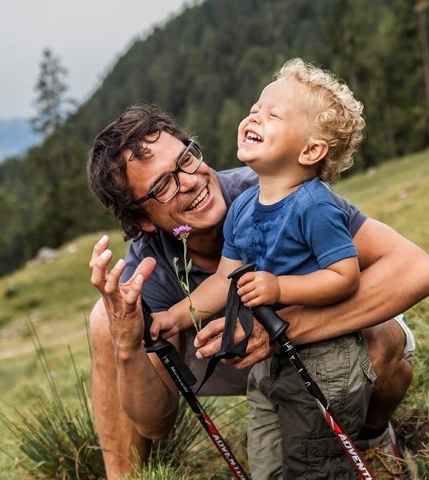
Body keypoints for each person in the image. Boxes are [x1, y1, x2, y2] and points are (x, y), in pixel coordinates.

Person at [85, 102, 429, 478]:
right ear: (141, 219)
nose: (190, 181)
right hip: (226, 356)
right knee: (107, 321)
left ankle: (370, 439)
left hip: (314, 339)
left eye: (187, 158)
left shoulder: (274, 191)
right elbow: (156, 424)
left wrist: (276, 331)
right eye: (163, 186)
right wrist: (127, 346)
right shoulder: (149, 265)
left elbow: (417, 270)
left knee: (380, 339)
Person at [147, 58, 374, 478]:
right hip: (268, 363)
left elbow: (346, 276)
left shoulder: (315, 206)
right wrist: (176, 317)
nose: (255, 115)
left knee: (314, 467)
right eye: (256, 107)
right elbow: (222, 279)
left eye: (273, 114)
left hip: (325, 360)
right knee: (267, 466)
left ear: (310, 151)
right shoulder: (244, 208)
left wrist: (279, 288)